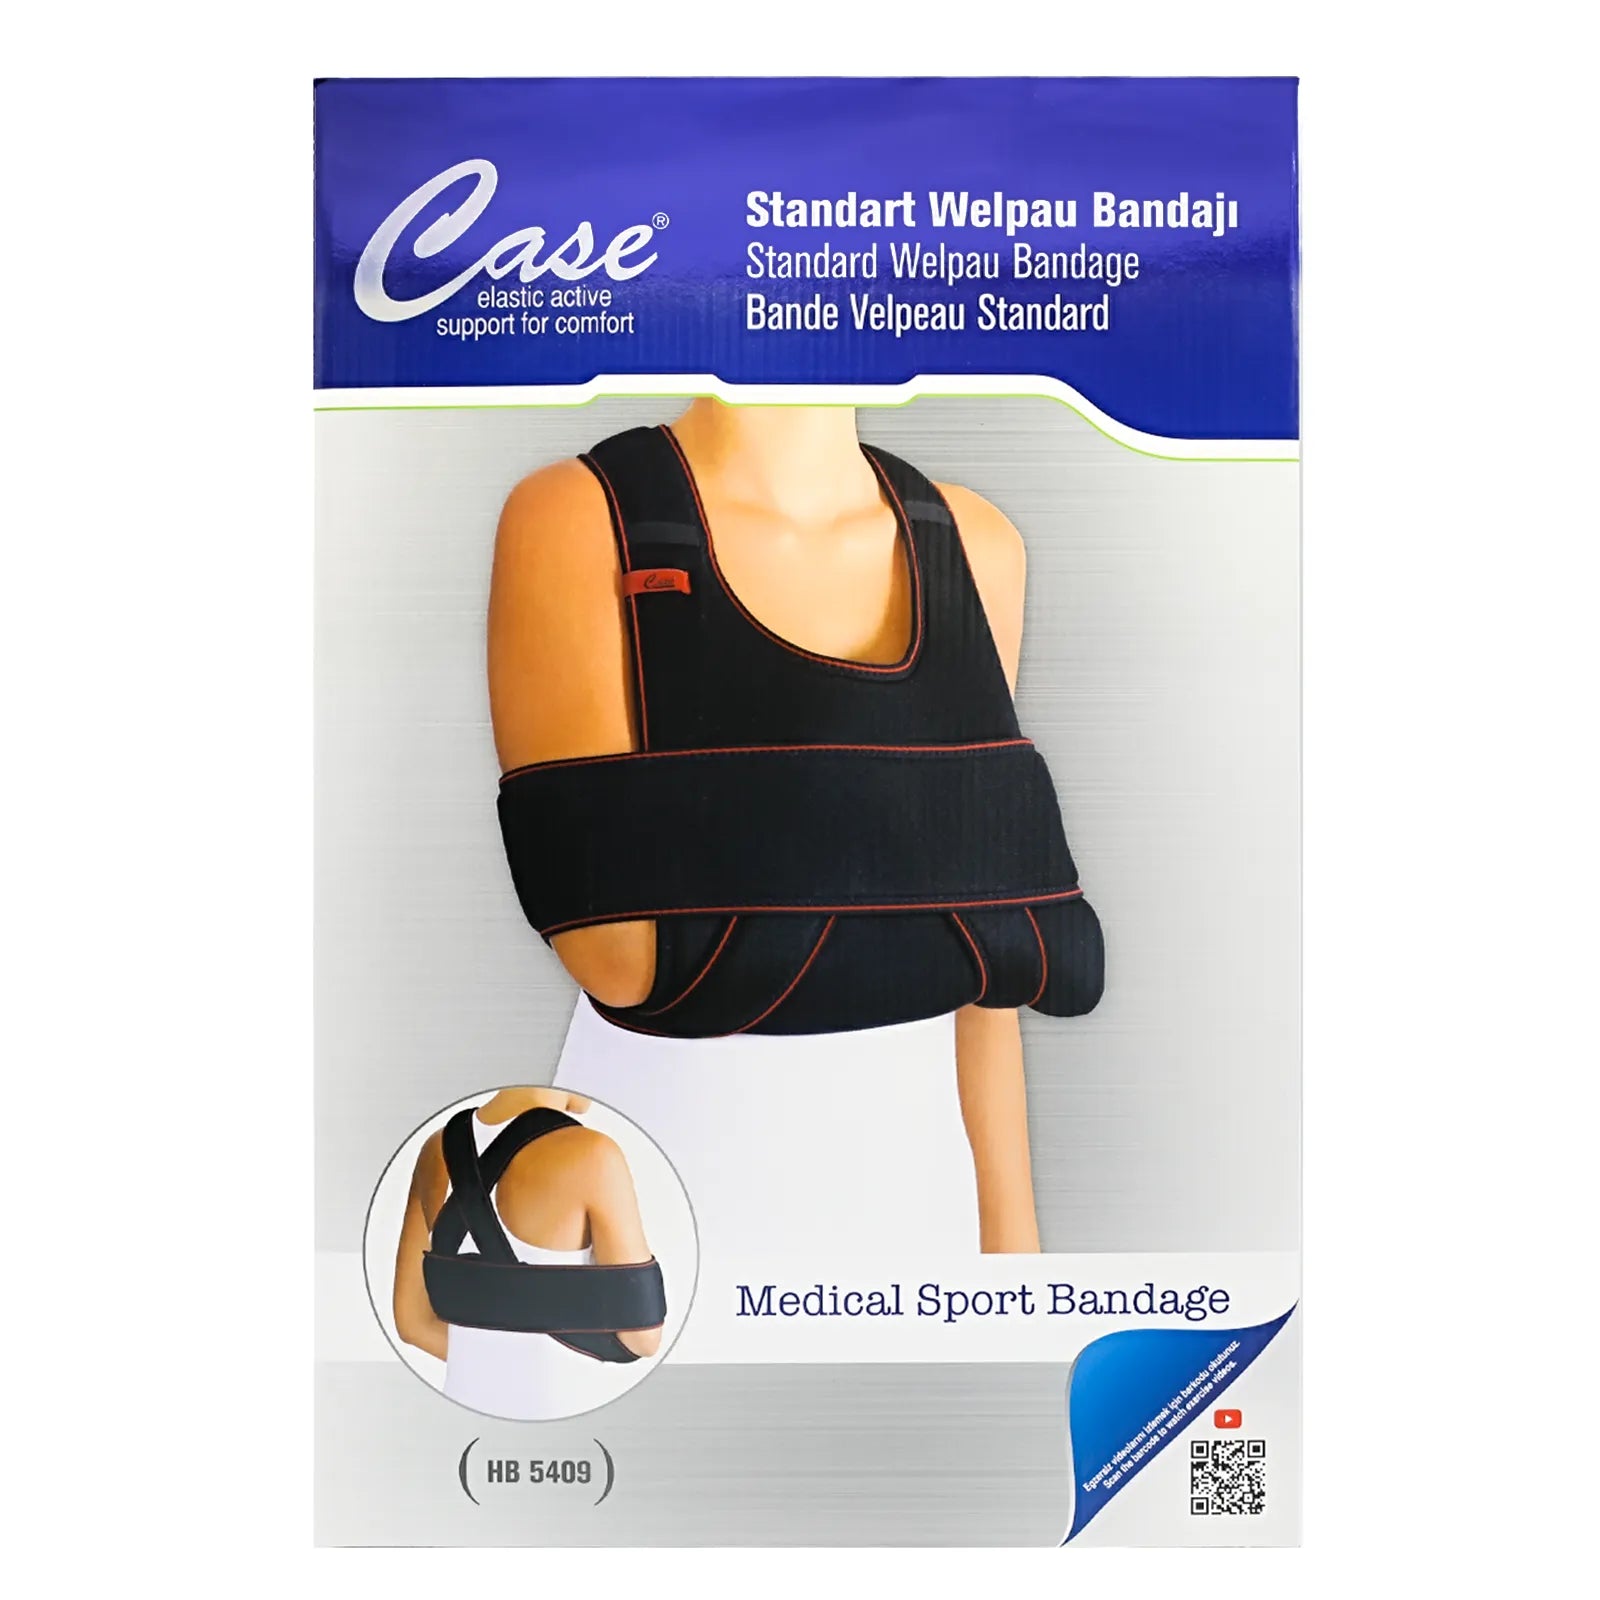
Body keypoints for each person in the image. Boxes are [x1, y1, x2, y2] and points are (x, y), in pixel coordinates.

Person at [489, 401, 1042, 1254]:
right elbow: (627, 953)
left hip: (921, 1179)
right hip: (663, 1165)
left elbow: (987, 948)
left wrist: (1014, 1261)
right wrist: (903, 864)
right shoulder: (581, 513)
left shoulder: (975, 544)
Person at [393, 1087, 660, 1419]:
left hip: (464, 1407)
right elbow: (643, 1337)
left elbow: (413, 1323)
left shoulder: (436, 1149)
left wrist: (496, 1365)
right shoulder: (593, 1154)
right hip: (568, 1413)